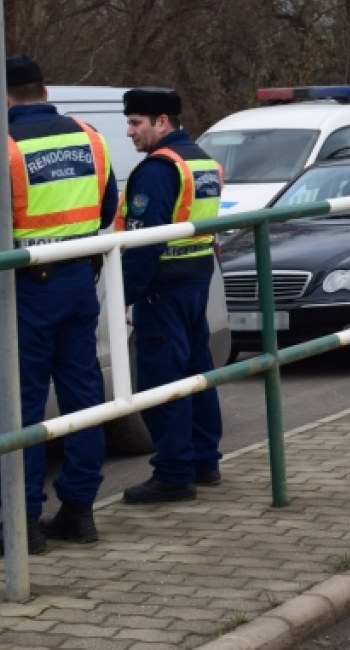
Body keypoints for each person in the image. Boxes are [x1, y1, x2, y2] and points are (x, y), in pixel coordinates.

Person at [0, 55, 117, 555]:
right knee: (83, 398)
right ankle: (79, 511)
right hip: (78, 281)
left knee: (18, 407)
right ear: (44, 91)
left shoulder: (1, 147)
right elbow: (108, 208)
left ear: (2, 96)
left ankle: (22, 523)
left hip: (27, 291)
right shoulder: (90, 138)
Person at [119, 87, 226, 504]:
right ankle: (204, 461)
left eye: (136, 123)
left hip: (162, 291)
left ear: (162, 122)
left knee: (162, 381)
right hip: (196, 283)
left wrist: (125, 293)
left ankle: (174, 474)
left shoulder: (159, 169)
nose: (129, 132)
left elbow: (145, 241)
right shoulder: (202, 161)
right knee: (198, 374)